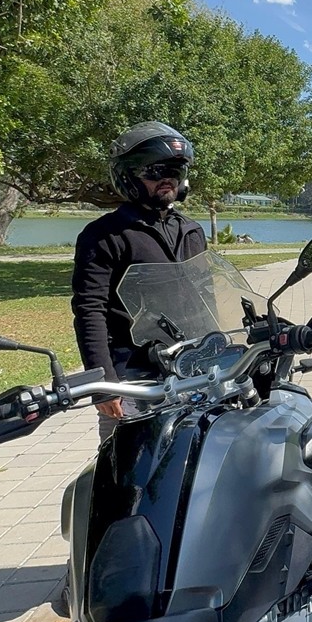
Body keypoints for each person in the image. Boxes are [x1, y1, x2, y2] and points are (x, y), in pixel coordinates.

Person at [71, 121, 206, 441]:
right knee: (127, 472)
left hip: (190, 371)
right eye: (156, 171)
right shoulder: (104, 235)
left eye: (175, 170)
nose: (168, 179)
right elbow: (90, 310)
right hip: (131, 377)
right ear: (128, 175)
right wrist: (103, 384)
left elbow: (205, 300)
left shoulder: (192, 231)